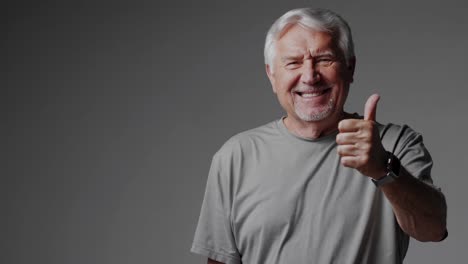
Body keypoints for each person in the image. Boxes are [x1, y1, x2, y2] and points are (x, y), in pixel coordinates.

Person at [191, 7, 447, 264]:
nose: (310, 76)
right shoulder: (235, 157)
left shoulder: (395, 143)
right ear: (272, 75)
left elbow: (432, 230)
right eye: (293, 62)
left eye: (325, 59)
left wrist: (383, 168)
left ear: (350, 67)